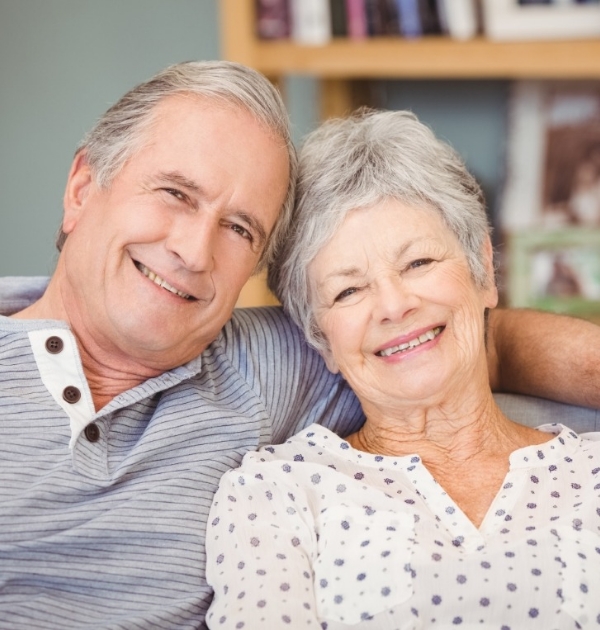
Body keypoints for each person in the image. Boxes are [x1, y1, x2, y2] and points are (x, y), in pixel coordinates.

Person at [1, 64, 599, 630]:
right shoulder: (284, 484)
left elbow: (460, 346)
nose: (192, 250)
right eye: (175, 193)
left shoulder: (257, 364)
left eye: (240, 228)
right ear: (82, 188)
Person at [205, 109, 600, 629]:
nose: (393, 306)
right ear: (319, 338)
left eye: (418, 263)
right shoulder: (276, 492)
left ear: (483, 270)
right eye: (348, 290)